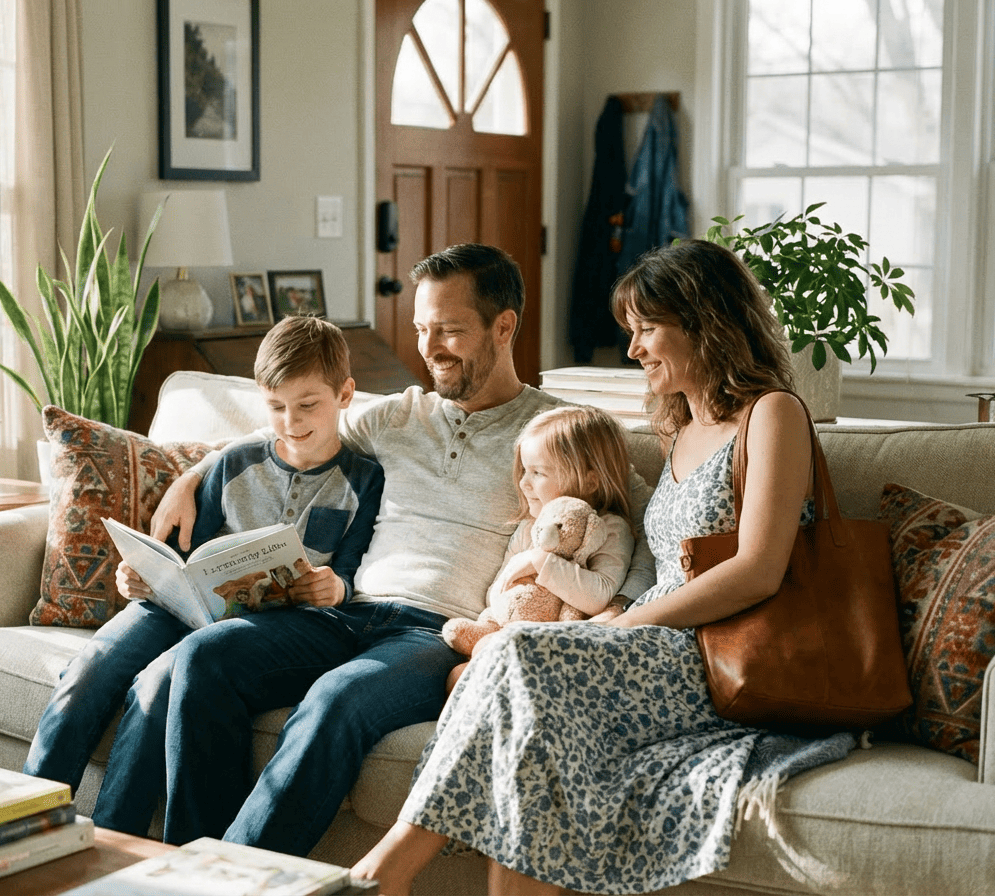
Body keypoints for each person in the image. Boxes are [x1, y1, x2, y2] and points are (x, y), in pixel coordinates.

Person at [351, 239, 857, 896]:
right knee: (518, 704)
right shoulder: (681, 427)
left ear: (704, 323)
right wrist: (615, 617)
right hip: (652, 644)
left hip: (716, 654)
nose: (634, 348)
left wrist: (622, 625)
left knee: (516, 656)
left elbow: (758, 569)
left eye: (647, 329)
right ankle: (391, 874)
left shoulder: (772, 413)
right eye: (631, 331)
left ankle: (386, 870)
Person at [142, 243, 658, 854]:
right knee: (202, 657)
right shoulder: (396, 416)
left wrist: (619, 606)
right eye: (420, 329)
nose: (429, 347)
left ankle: (239, 878)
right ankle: (186, 869)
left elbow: (642, 517)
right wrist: (191, 476)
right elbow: (286, 432)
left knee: (336, 700)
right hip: (344, 611)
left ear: (504, 326)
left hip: (435, 635)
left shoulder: (559, 429)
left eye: (449, 330)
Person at [22, 315, 385, 839]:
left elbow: (350, 572)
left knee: (156, 685)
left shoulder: (365, 479)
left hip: (265, 629)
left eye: (308, 405)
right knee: (91, 667)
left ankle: (114, 840)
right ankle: (26, 823)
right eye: (276, 407)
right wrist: (142, 579)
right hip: (179, 609)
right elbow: (183, 556)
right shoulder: (233, 462)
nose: (290, 422)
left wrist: (336, 588)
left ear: (344, 395)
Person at [443, 404, 636, 692]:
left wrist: (540, 561)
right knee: (458, 675)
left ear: (590, 480)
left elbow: (600, 596)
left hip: (562, 642)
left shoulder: (609, 529)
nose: (523, 483)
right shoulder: (529, 527)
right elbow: (496, 594)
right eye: (524, 470)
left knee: (484, 657)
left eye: (537, 473)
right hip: (512, 631)